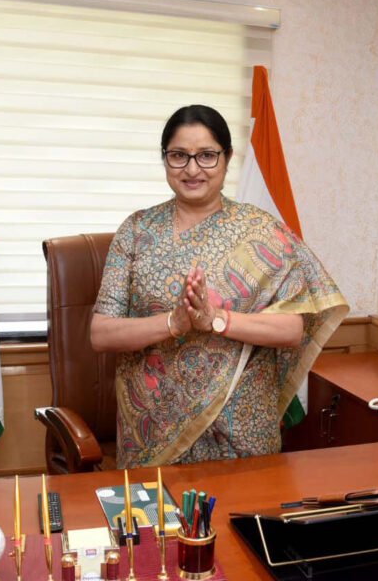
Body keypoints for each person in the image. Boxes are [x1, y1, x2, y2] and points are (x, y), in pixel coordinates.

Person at [90, 105, 348, 469]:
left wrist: (215, 319)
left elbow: (292, 330)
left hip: (242, 432)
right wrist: (174, 323)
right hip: (154, 436)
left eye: (207, 155)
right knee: (156, 510)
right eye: (179, 155)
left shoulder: (262, 231)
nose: (192, 169)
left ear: (227, 158)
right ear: (165, 159)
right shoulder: (136, 231)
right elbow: (101, 333)